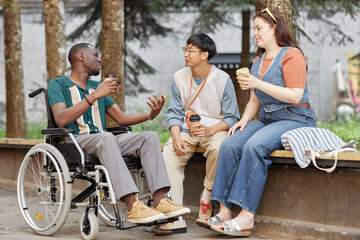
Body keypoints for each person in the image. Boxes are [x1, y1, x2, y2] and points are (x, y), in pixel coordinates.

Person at [195, 9, 316, 237]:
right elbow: (254, 100)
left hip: (296, 117)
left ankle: (247, 216)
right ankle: (224, 212)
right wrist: (242, 121)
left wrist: (257, 83)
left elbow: (295, 95)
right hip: (267, 119)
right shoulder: (258, 61)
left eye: (259, 28)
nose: (255, 34)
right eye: (254, 29)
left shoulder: (291, 55)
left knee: (254, 146)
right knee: (230, 144)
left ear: (274, 28)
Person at [47, 43, 190, 225]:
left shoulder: (97, 87)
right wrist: (93, 97)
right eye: (95, 55)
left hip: (104, 142)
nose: (99, 59)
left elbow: (121, 118)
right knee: (106, 138)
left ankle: (160, 200)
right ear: (80, 57)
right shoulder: (58, 84)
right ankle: (133, 207)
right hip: (74, 142)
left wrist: (150, 115)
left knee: (149, 137)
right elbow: (60, 119)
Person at [154, 33, 240, 235]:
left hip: (213, 130)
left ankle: (206, 198)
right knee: (168, 155)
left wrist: (211, 129)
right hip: (186, 131)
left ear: (204, 55)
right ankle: (174, 214)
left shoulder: (222, 79)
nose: (186, 53)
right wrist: (176, 138)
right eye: (185, 49)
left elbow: (232, 117)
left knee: (220, 148)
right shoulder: (179, 77)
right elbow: (174, 113)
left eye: (190, 50)